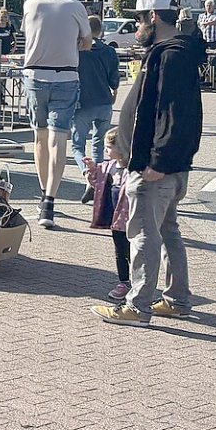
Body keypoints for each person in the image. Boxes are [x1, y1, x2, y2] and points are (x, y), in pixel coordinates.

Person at [93, 0, 204, 325]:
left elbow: (176, 115)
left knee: (143, 234)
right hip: (165, 165)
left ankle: (137, 307)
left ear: (153, 17)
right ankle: (177, 299)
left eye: (139, 19)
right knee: (168, 231)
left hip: (155, 167)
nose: (136, 26)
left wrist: (158, 160)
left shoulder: (171, 56)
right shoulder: (174, 53)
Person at [22, 0, 92, 229]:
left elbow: (30, 34)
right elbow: (87, 42)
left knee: (39, 136)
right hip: (66, 76)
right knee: (58, 138)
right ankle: (51, 198)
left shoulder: (31, 4)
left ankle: (43, 195)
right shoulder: (76, 7)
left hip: (35, 76)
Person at [72, 14, 120, 204]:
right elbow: (114, 77)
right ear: (101, 31)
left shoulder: (77, 50)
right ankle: (98, 177)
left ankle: (87, 175)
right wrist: (114, 90)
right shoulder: (108, 51)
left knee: (77, 144)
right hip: (104, 101)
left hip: (82, 102)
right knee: (100, 144)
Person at [84, 129, 131, 302]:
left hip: (132, 218)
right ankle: (124, 282)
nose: (106, 151)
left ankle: (139, 282)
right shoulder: (109, 166)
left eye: (109, 147)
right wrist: (91, 169)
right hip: (116, 218)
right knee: (120, 250)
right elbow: (97, 180)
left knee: (134, 250)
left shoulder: (134, 169)